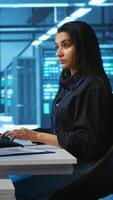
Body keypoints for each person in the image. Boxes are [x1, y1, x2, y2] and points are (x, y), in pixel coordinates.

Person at [5, 21, 113, 200]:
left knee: (14, 191)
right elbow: (64, 132)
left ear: (83, 47)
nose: (58, 53)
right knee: (12, 184)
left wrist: (35, 137)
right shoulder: (70, 82)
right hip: (69, 160)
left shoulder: (93, 85)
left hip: (85, 168)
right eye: (57, 46)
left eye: (66, 45)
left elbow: (87, 143)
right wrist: (27, 134)